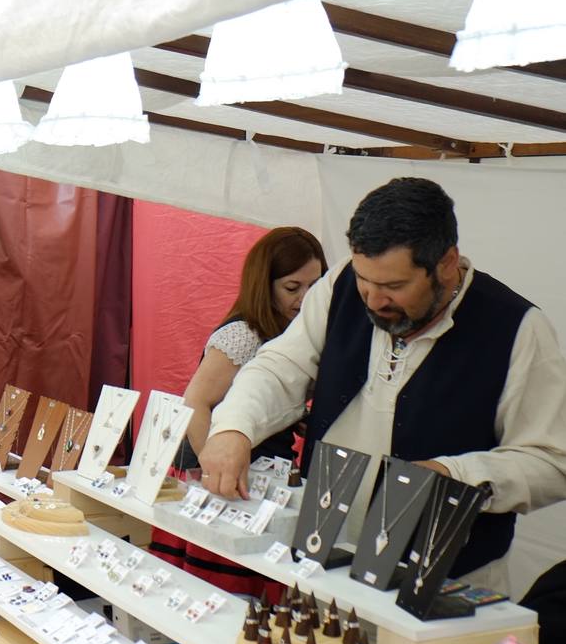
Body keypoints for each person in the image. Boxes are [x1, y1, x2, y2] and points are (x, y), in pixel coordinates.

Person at [200, 178, 566, 595]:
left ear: (446, 263)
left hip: (442, 585)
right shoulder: (340, 285)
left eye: (394, 287)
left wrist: (455, 473)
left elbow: (552, 461)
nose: (373, 301)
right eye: (365, 280)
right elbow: (279, 366)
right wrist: (234, 426)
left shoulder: (517, 330)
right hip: (323, 557)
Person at [147, 228, 327, 595]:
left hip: (256, 467)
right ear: (265, 284)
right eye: (292, 288)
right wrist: (214, 471)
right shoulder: (245, 334)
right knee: (216, 583)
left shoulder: (294, 332)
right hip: (218, 468)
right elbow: (195, 401)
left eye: (316, 287)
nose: (305, 299)